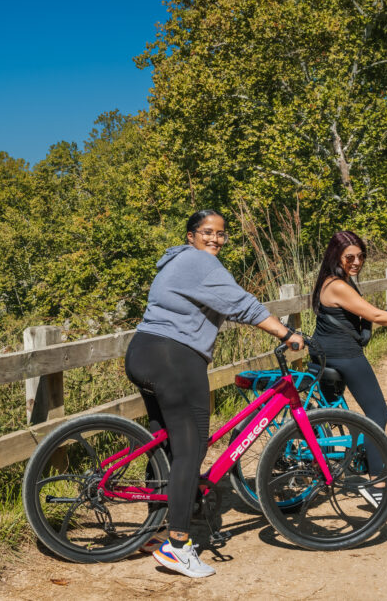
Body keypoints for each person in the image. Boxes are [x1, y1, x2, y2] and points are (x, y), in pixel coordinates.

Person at [124, 209, 304, 578]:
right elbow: (243, 305)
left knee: (166, 445)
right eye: (207, 232)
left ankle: (154, 530)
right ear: (191, 235)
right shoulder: (199, 263)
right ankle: (177, 545)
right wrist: (287, 334)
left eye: (221, 234)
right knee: (193, 447)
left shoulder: (177, 261)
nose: (215, 240)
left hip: (145, 352)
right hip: (174, 358)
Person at [311, 230, 387, 511]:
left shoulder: (332, 281)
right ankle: (375, 483)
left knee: (335, 416)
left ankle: (352, 459)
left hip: (324, 355)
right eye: (350, 256)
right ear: (336, 256)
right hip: (344, 355)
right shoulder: (337, 285)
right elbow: (374, 315)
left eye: (361, 256)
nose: (357, 261)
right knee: (377, 414)